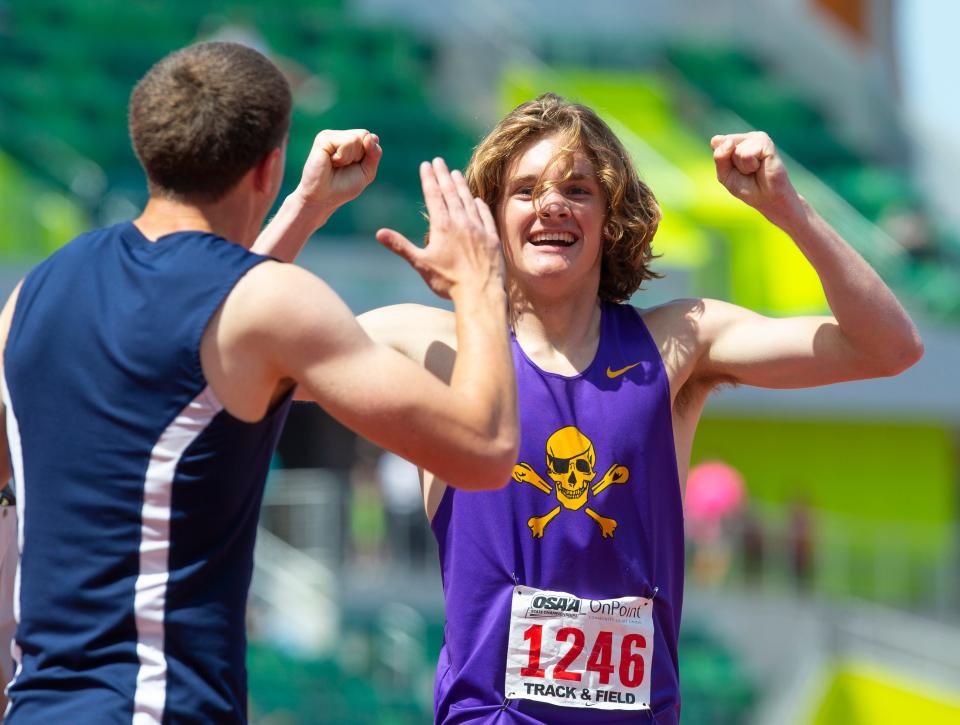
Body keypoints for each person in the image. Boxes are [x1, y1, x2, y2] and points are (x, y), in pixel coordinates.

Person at [258, 92, 922, 723]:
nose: (551, 206)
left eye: (577, 190)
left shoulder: (680, 341)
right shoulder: (427, 343)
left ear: (612, 220)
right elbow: (226, 345)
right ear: (487, 219)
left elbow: (888, 347)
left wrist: (789, 210)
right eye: (525, 191)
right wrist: (308, 204)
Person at [0, 41, 519, 723]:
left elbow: (202, 326)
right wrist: (478, 285)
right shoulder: (274, 305)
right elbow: (482, 449)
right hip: (155, 706)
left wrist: (305, 208)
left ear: (147, 147)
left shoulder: (32, 295)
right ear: (268, 166)